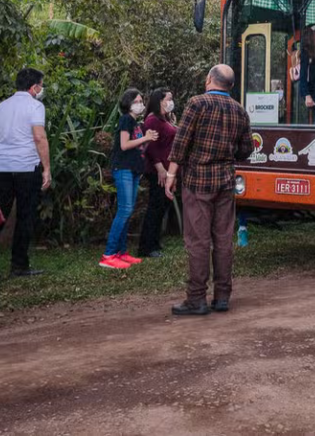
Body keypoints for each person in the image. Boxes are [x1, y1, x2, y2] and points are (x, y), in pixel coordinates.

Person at [165, 65, 254, 315]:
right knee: (223, 239)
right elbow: (246, 150)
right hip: (225, 182)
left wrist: (171, 174)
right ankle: (223, 297)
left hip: (197, 182)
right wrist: (226, 155)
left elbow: (181, 143)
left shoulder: (197, 104)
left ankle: (196, 298)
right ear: (230, 86)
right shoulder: (239, 110)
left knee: (198, 240)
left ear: (209, 80)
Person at [0, 68, 51, 279]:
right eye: (41, 85)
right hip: (26, 167)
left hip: (3, 168)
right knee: (25, 216)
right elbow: (39, 137)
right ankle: (19, 265)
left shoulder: (1, 107)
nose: (41, 89)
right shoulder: (35, 106)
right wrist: (47, 169)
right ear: (34, 87)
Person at [100, 89, 159, 269]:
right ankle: (108, 254)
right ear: (128, 102)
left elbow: (138, 148)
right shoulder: (126, 119)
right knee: (124, 210)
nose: (140, 104)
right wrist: (145, 138)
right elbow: (124, 145)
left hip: (133, 170)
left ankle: (122, 252)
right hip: (123, 169)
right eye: (137, 101)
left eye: (141, 101)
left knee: (128, 210)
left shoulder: (135, 123)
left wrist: (148, 140)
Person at [138, 87, 177, 258]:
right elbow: (150, 147)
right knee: (155, 206)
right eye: (168, 98)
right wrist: (160, 168)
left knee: (162, 206)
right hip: (157, 170)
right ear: (159, 101)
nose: (171, 101)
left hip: (168, 169)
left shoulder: (165, 119)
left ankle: (154, 241)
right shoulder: (152, 120)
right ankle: (146, 247)